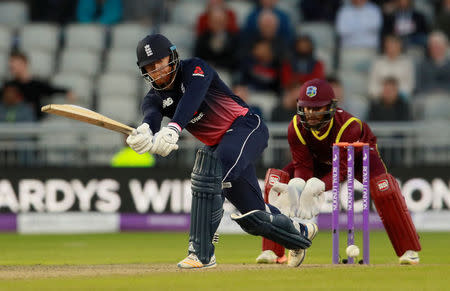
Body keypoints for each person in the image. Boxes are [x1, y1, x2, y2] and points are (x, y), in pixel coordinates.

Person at [126, 33, 316, 269]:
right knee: (255, 216)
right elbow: (151, 116)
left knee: (210, 174)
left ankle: (202, 252)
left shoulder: (196, 68)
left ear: (172, 56)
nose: (157, 70)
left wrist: (174, 128)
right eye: (150, 67)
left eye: (160, 62)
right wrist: (145, 131)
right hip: (221, 145)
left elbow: (191, 99)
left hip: (246, 127)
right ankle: (300, 233)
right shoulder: (153, 98)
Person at [256, 79, 421, 265]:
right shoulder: (295, 127)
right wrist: (300, 187)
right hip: (319, 159)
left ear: (331, 107)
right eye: (307, 108)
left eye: (317, 108)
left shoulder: (349, 126)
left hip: (359, 158)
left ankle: (409, 250)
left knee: (385, 190)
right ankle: (272, 251)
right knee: (275, 180)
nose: (310, 114)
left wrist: (318, 186)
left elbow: (342, 171)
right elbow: (302, 165)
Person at [8, 51, 74, 120]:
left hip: (33, 122)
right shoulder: (9, 86)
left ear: (24, 63)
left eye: (14, 64)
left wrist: (66, 92)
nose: (12, 66)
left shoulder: (36, 84)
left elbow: (51, 90)